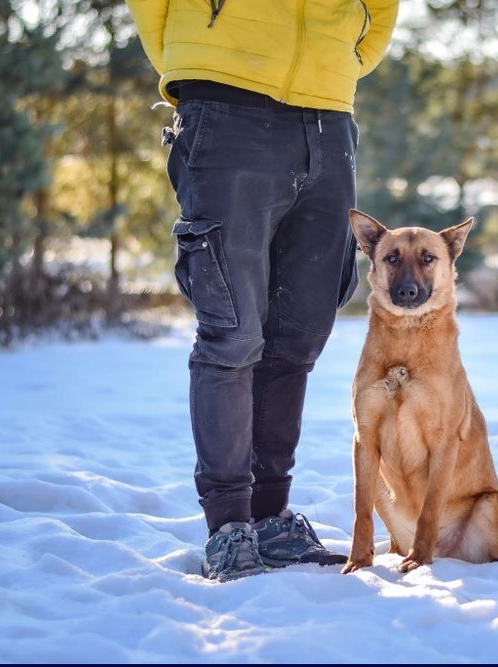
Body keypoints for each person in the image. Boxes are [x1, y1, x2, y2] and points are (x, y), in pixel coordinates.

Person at [125, 0, 399, 581]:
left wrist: (346, 57)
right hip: (225, 105)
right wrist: (194, 48)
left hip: (328, 119)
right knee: (232, 332)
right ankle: (228, 528)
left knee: (298, 337)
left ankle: (271, 521)